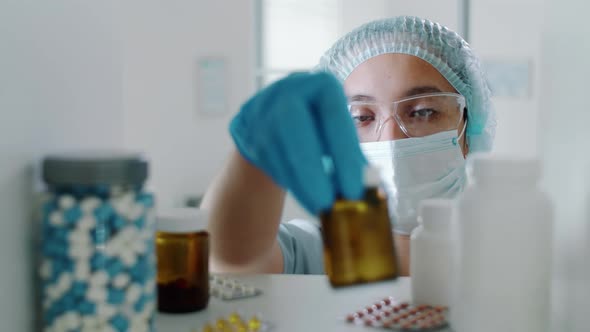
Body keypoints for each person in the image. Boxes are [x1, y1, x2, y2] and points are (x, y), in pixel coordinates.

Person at [201, 16, 495, 276]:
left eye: (423, 112)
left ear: (469, 131)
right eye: (362, 117)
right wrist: (251, 157)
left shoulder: (511, 254)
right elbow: (228, 260)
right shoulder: (313, 253)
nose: (391, 139)